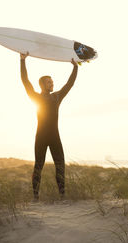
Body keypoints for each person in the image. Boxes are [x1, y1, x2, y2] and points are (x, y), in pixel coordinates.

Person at [20, 52, 78, 200]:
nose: (52, 84)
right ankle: (35, 196)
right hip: (41, 136)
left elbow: (69, 84)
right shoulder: (37, 98)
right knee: (38, 166)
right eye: (49, 83)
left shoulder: (57, 97)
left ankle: (62, 195)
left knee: (60, 166)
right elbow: (25, 81)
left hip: (54, 136)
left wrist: (75, 67)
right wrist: (22, 61)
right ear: (42, 85)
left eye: (52, 82)